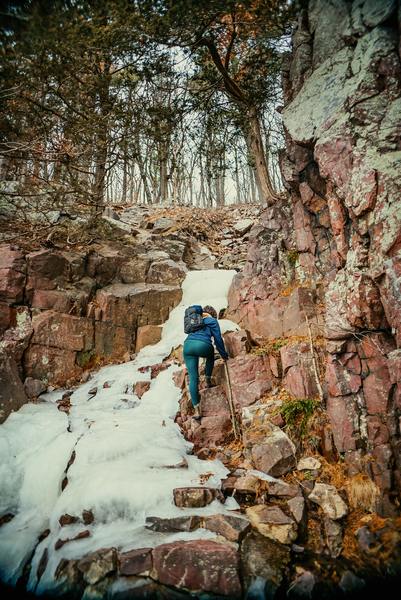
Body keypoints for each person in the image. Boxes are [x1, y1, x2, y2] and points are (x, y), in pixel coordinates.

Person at [183, 304, 229, 420]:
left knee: (193, 378)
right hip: (203, 346)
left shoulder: (194, 320)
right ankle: (208, 379)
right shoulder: (212, 321)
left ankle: (197, 410)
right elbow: (218, 340)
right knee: (210, 355)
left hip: (187, 347)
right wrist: (224, 355)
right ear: (213, 314)